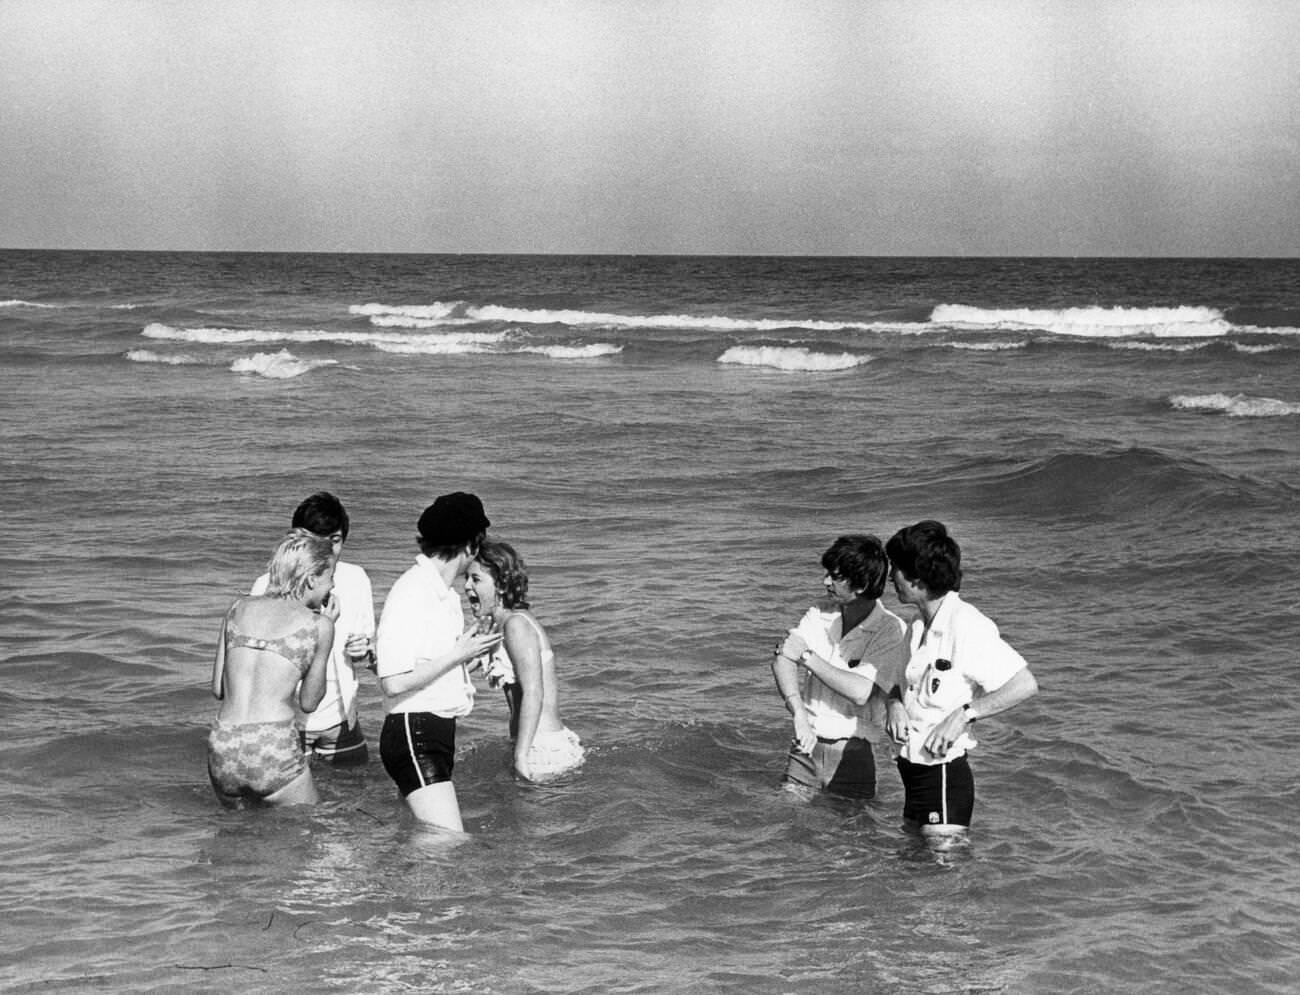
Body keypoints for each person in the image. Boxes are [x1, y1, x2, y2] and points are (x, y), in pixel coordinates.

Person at [884, 520, 1039, 838]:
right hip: (912, 772)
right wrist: (894, 704)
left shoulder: (966, 624)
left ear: (917, 577)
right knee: (911, 873)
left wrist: (965, 714)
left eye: (896, 568)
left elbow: (1024, 685)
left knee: (946, 881)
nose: (890, 577)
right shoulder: (916, 626)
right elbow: (896, 685)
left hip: (943, 774)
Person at [375, 492, 501, 831]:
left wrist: (474, 655)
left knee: (423, 837)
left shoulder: (441, 593)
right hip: (414, 731)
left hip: (431, 730)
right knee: (446, 841)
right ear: (471, 545)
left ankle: (390, 885)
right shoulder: (414, 590)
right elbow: (394, 681)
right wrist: (459, 654)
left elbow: (434, 667)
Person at [771, 534, 907, 800]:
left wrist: (808, 657)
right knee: (787, 827)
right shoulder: (820, 611)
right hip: (804, 747)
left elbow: (860, 691)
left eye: (835, 577)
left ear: (861, 584)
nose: (826, 582)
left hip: (852, 755)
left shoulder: (890, 629)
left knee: (851, 838)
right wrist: (798, 712)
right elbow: (783, 657)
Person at [208, 529, 336, 808]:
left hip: (223, 744)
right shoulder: (319, 625)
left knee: (235, 839)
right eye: (330, 578)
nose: (332, 587)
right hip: (272, 747)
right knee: (305, 835)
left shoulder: (237, 608)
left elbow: (218, 688)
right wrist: (328, 631)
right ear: (313, 578)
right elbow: (310, 701)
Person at [251, 492, 375, 765]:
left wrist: (365, 650)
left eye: (336, 540)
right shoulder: (266, 585)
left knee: (353, 794)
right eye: (318, 540)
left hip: (341, 717)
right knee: (291, 806)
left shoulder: (356, 579)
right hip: (286, 719)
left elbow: (367, 651)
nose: (328, 551)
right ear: (296, 539)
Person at [466, 540, 586, 782]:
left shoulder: (516, 625)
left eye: (476, 579)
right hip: (529, 742)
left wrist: (521, 757)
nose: (467, 586)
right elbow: (461, 672)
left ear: (500, 585)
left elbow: (534, 692)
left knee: (532, 818)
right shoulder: (498, 626)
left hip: (541, 748)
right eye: (465, 578)